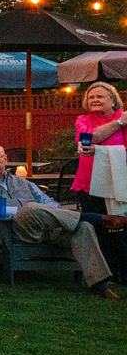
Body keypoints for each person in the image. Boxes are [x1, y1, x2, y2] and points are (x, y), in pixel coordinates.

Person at [0, 142, 118, 299]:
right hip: (9, 232)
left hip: (44, 230)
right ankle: (96, 218)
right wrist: (21, 211)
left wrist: (48, 212)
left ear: (5, 159)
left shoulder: (23, 182)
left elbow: (49, 203)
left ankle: (98, 285)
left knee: (82, 227)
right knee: (31, 208)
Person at [72, 82, 127, 278]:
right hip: (88, 184)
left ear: (113, 101)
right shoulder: (83, 119)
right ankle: (97, 272)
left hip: (119, 184)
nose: (94, 100)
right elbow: (89, 139)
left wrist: (100, 151)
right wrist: (119, 123)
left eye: (100, 96)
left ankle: (121, 272)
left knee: (120, 227)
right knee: (94, 228)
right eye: (91, 97)